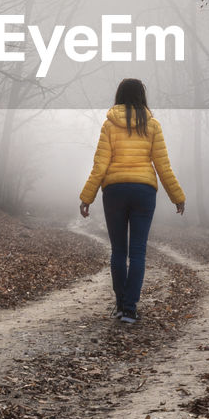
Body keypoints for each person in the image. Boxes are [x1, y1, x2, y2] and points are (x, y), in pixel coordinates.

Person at [79, 78, 185, 324]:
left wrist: (87, 197)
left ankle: (119, 305)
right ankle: (129, 309)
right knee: (137, 251)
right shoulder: (153, 126)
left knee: (118, 250)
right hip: (143, 191)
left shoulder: (109, 125)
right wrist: (177, 196)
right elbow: (162, 166)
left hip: (114, 190)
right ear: (142, 97)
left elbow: (100, 165)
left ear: (119, 95)